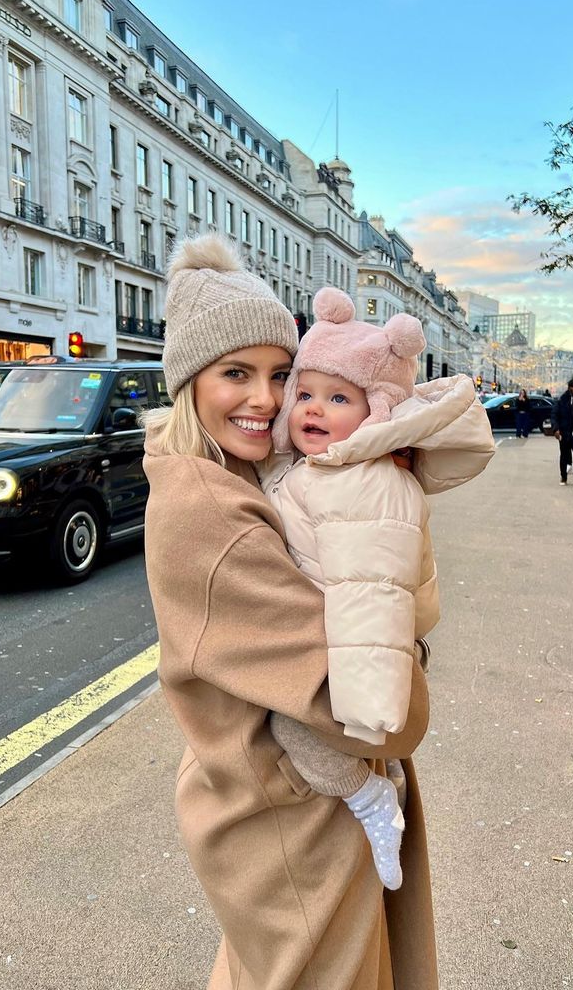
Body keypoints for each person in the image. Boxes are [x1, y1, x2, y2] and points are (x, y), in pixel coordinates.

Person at [142, 234, 493, 989]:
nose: (265, 399)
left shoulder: (239, 476)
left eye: (279, 374)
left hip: (270, 802)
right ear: (189, 381)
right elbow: (373, 711)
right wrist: (414, 660)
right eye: (236, 373)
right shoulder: (212, 510)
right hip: (293, 825)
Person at [263, 288, 480, 892]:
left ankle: (371, 800)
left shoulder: (368, 483)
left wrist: (362, 715)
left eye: (338, 398)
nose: (313, 408)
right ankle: (378, 782)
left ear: (376, 411)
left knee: (289, 727)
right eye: (303, 393)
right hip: (334, 643)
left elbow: (373, 599)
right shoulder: (326, 466)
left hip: (355, 659)